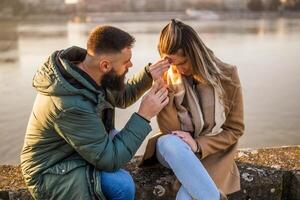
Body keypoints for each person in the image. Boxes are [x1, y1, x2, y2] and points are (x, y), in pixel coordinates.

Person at [20, 25, 170, 200]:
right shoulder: (70, 105)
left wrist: (148, 75)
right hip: (51, 172)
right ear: (105, 65)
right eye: (125, 62)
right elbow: (111, 160)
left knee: (119, 145)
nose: (131, 65)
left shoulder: (88, 72)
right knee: (122, 185)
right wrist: (144, 115)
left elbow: (121, 97)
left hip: (73, 153)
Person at [142, 19, 244, 200]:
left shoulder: (227, 75)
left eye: (183, 63)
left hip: (213, 152)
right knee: (168, 142)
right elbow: (169, 130)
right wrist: (161, 86)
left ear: (196, 55)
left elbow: (235, 130)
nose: (179, 70)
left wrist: (198, 144)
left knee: (185, 197)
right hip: (177, 151)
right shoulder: (168, 77)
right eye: (173, 64)